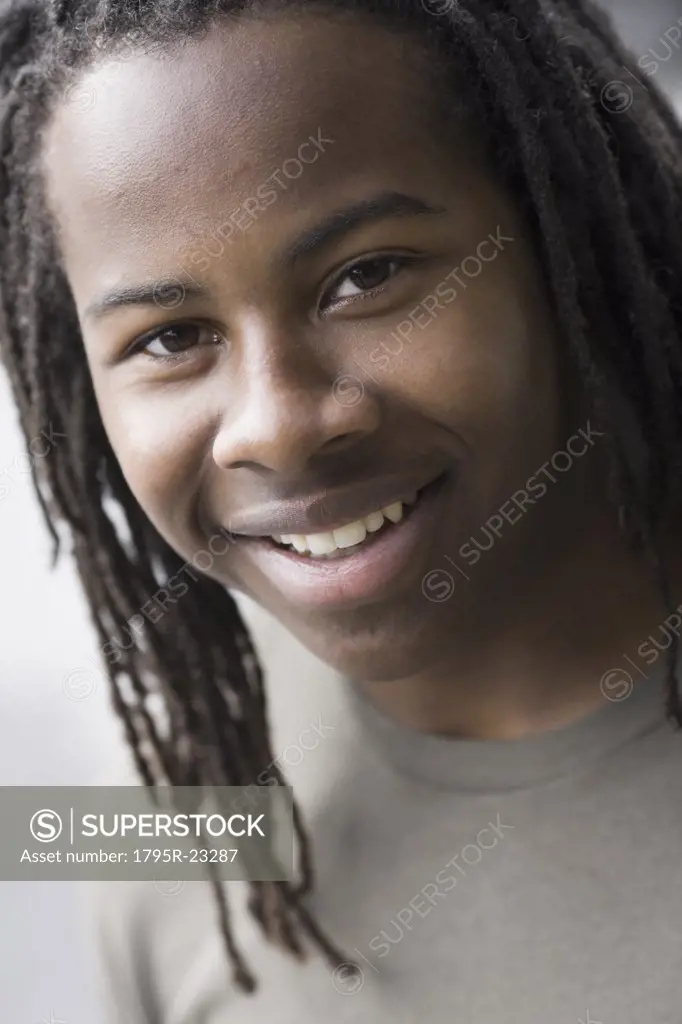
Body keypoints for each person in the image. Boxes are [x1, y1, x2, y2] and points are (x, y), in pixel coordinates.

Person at [1, 0, 682, 1019]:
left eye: (365, 276)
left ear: (560, 239)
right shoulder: (188, 808)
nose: (275, 425)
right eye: (170, 336)